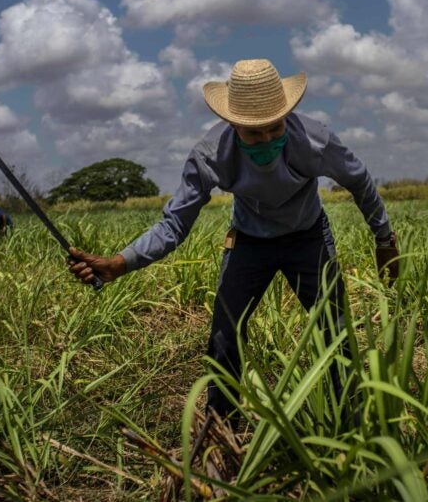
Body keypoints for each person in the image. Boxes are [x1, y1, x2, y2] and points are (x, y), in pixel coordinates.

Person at [67, 58, 399, 424]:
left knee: (334, 329)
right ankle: (221, 430)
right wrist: (120, 262)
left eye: (274, 129)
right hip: (250, 241)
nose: (267, 139)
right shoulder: (210, 156)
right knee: (225, 334)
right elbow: (173, 225)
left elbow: (360, 182)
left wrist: (385, 239)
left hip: (308, 237)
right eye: (253, 133)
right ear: (232, 123)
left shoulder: (316, 141)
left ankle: (349, 423)